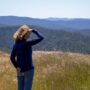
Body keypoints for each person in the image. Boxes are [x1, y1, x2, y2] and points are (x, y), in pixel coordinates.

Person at [10, 25, 44, 90]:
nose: (29, 35)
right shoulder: (27, 43)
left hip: (19, 70)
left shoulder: (16, 44)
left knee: (20, 88)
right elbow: (41, 37)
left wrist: (17, 67)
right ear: (25, 34)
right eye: (28, 33)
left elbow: (12, 58)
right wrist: (34, 31)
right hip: (28, 69)